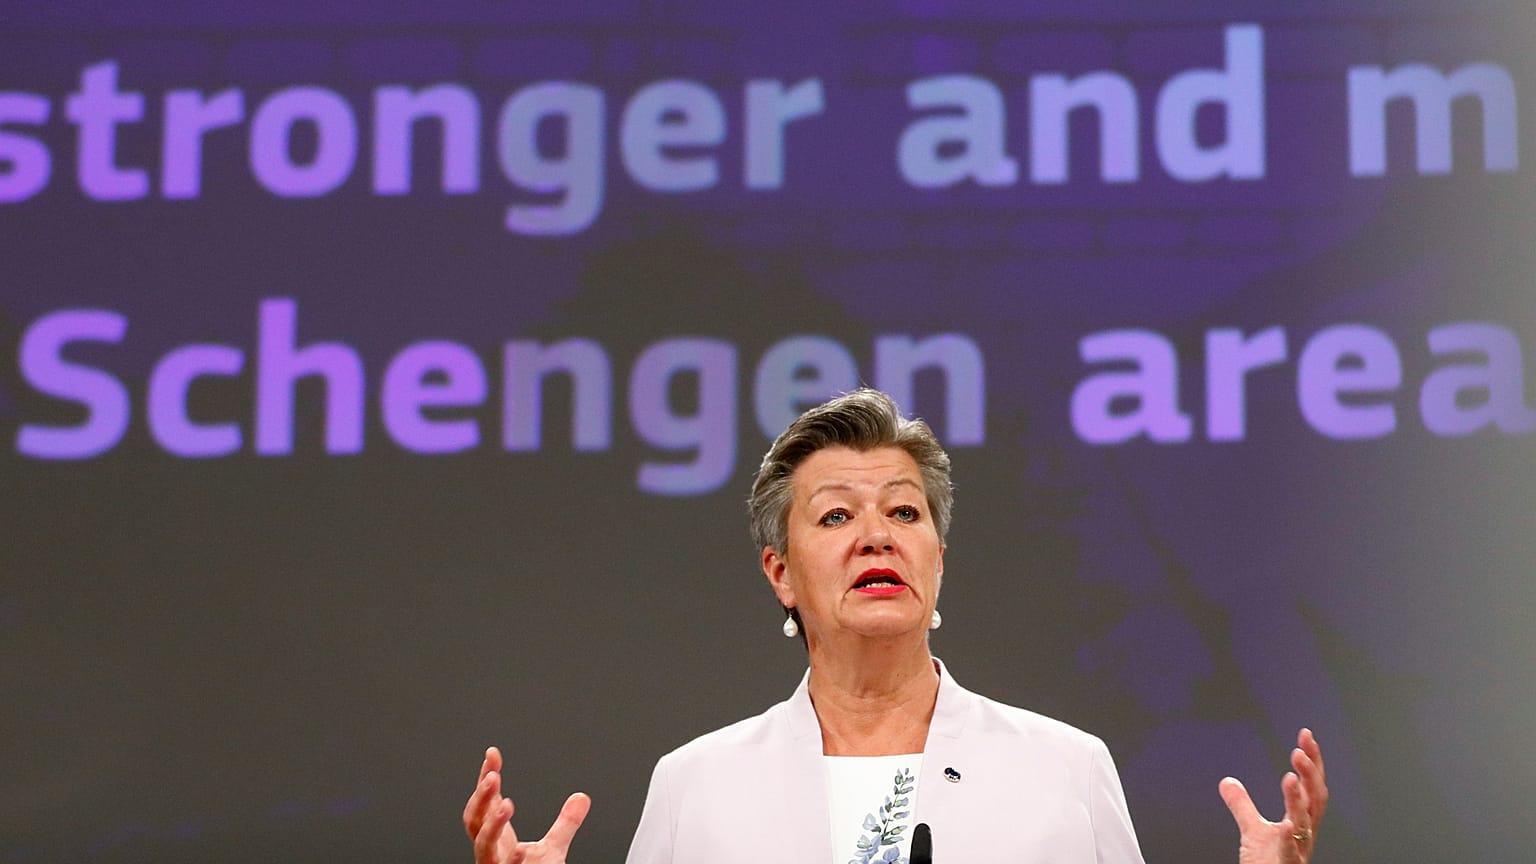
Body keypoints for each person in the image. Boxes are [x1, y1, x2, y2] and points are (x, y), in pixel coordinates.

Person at [462, 389, 1329, 864]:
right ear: (780, 574)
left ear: (938, 559)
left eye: (904, 512)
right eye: (836, 517)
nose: (877, 534)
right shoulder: (698, 785)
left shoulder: (1066, 766)